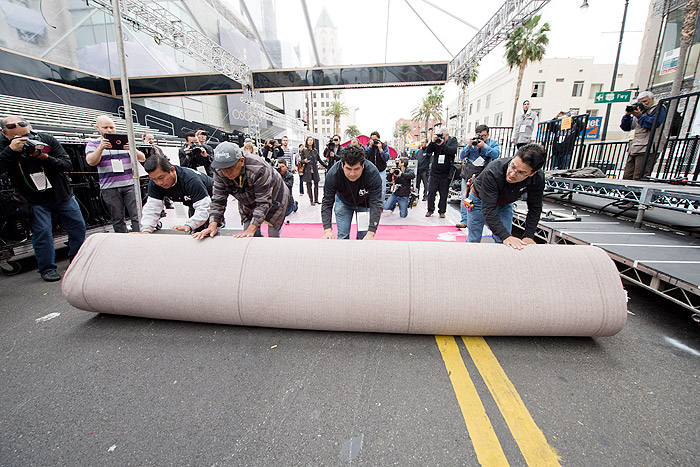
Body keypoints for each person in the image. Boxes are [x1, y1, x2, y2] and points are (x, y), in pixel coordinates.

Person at [0, 116, 86, 281]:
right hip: (33, 199)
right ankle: (47, 269)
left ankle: (77, 260)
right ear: (6, 135)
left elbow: (67, 164)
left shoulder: (45, 139)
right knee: (42, 233)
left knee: (78, 227)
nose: (26, 140)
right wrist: (11, 151)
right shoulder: (5, 146)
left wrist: (44, 157)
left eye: (28, 135)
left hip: (61, 194)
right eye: (19, 137)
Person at [193, 142, 290, 239]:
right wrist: (212, 225)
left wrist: (252, 229)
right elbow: (218, 200)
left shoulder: (258, 169)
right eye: (223, 168)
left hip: (275, 196)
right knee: (248, 231)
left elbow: (263, 202)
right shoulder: (219, 170)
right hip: (247, 198)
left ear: (242, 161)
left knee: (273, 233)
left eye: (230, 167)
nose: (226, 172)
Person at [466, 143, 546, 250]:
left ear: (533, 173)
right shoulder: (494, 171)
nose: (512, 174)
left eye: (521, 172)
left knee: (504, 242)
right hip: (478, 200)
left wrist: (528, 235)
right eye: (512, 166)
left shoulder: (538, 178)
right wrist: (506, 236)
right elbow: (489, 210)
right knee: (474, 239)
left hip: (505, 202)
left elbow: (535, 208)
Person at [85, 115, 145, 233]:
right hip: (110, 187)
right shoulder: (93, 144)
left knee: (137, 215)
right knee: (117, 218)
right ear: (98, 128)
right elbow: (91, 162)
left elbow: (142, 158)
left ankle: (141, 237)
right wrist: (100, 148)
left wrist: (132, 149)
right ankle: (121, 241)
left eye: (111, 127)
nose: (109, 130)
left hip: (130, 184)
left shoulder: (124, 142)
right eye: (105, 127)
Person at [140, 154, 214, 234]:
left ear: (172, 170)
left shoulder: (191, 180)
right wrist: (146, 229)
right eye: (154, 179)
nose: (159, 182)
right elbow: (152, 207)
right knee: (195, 231)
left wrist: (189, 225)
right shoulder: (155, 183)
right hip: (192, 201)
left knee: (210, 230)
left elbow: (204, 207)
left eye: (161, 178)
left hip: (211, 198)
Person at [321, 144, 383, 240]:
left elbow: (376, 203)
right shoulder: (333, 174)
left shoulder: (372, 173)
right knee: (343, 235)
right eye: (348, 169)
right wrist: (327, 230)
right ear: (342, 164)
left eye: (356, 169)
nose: (352, 174)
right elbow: (327, 201)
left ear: (363, 165)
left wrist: (371, 232)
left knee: (364, 236)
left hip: (364, 204)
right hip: (343, 202)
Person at [457, 124, 501, 229]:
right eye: (479, 135)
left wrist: (484, 147)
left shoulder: (492, 143)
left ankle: (484, 220)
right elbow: (462, 156)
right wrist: (469, 146)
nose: (481, 138)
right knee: (465, 196)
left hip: (485, 173)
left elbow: (496, 154)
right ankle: (464, 220)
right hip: (470, 172)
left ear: (488, 135)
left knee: (483, 198)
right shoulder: (471, 142)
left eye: (484, 136)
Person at [620, 90, 667, 180]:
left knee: (639, 176)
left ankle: (636, 194)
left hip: (647, 147)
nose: (643, 104)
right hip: (634, 147)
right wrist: (627, 115)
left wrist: (639, 116)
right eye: (640, 102)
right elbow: (626, 127)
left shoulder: (658, 108)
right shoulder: (638, 112)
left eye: (645, 101)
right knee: (627, 176)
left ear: (652, 99)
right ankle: (627, 193)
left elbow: (653, 123)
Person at [425, 127, 458, 218]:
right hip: (434, 172)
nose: (441, 138)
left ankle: (442, 211)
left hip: (446, 173)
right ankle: (430, 210)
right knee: (431, 192)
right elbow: (428, 151)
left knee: (443, 194)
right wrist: (432, 141)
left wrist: (443, 144)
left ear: (447, 135)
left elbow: (453, 151)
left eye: (442, 136)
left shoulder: (452, 141)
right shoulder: (435, 142)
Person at [365, 131, 390, 199]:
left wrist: (380, 150)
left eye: (376, 139)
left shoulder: (384, 146)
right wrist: (370, 146)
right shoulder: (368, 145)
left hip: (381, 169)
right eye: (372, 139)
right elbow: (365, 155)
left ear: (379, 138)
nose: (374, 141)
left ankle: (380, 205)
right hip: (371, 171)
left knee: (382, 189)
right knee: (370, 188)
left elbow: (386, 158)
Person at [301, 136, 325, 205]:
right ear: (306, 142)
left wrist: (326, 165)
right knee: (309, 185)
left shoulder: (315, 151)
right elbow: (301, 160)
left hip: (315, 170)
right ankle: (311, 200)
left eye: (311, 140)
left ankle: (316, 199)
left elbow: (319, 159)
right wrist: (304, 161)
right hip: (307, 170)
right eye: (309, 140)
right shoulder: (304, 151)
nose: (310, 141)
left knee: (316, 184)